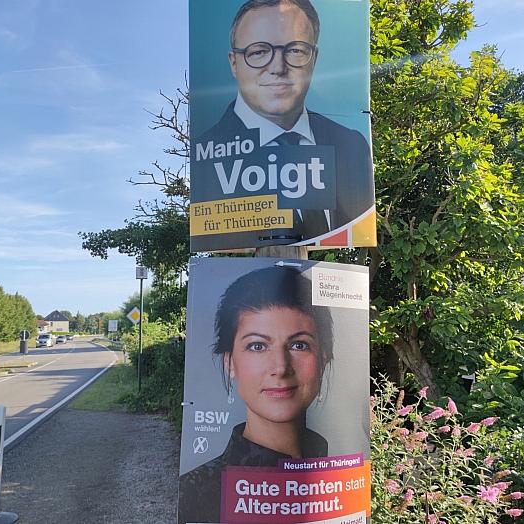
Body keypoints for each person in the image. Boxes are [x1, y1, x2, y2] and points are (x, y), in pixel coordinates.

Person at [191, 0, 374, 251]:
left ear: (314, 58)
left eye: (296, 50)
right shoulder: (206, 156)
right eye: (258, 52)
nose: (278, 68)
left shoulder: (352, 145)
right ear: (234, 63)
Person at [178, 266, 334, 523]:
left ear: (323, 360)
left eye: (299, 345)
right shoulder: (196, 491)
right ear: (229, 363)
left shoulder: (343, 476)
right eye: (257, 346)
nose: (281, 367)